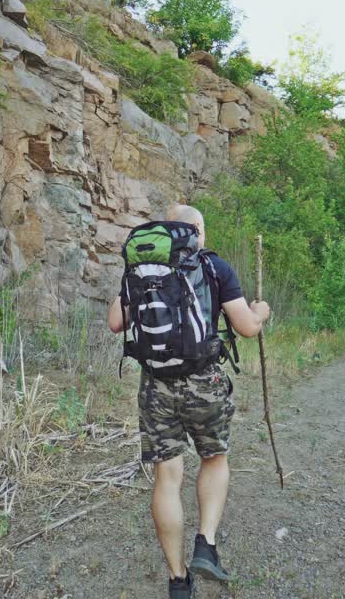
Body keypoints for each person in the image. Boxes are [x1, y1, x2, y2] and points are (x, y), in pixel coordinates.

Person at [107, 204, 272, 599]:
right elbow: (246, 328)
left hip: (155, 385)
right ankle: (206, 544)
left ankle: (178, 581)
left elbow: (116, 323)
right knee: (214, 458)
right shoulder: (215, 267)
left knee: (168, 475)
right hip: (204, 381)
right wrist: (260, 311)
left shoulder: (139, 269)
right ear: (197, 229)